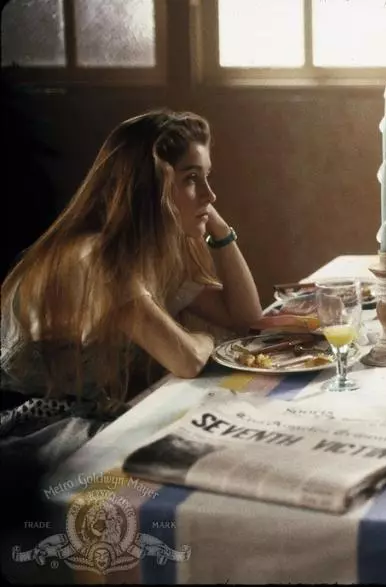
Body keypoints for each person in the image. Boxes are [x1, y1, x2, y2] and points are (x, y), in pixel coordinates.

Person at [0, 108, 316, 476]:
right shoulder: (95, 257)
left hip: (88, 420)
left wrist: (220, 230)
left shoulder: (149, 254)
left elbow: (246, 319)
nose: (210, 194)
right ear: (147, 187)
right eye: (191, 178)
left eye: (207, 177)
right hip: (35, 432)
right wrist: (203, 339)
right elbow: (186, 360)